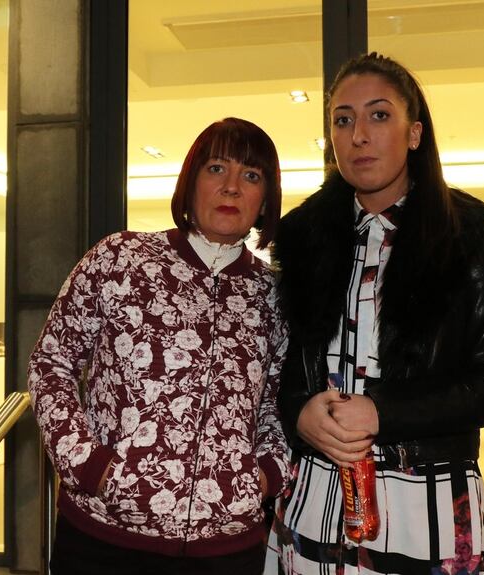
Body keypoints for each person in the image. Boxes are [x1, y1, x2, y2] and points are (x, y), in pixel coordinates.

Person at [267, 53, 484, 574]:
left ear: (414, 134)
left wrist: (384, 411)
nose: (359, 135)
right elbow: (285, 364)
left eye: (379, 115)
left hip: (426, 497)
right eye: (343, 120)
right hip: (317, 493)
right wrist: (299, 410)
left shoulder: (464, 233)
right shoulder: (302, 236)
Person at [28, 117, 291, 575]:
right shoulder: (119, 259)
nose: (231, 187)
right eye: (216, 169)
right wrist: (89, 465)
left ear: (265, 200)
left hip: (228, 550)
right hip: (103, 539)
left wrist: (264, 475)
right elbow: (53, 361)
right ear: (190, 182)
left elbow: (278, 402)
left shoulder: (274, 296)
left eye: (251, 176)